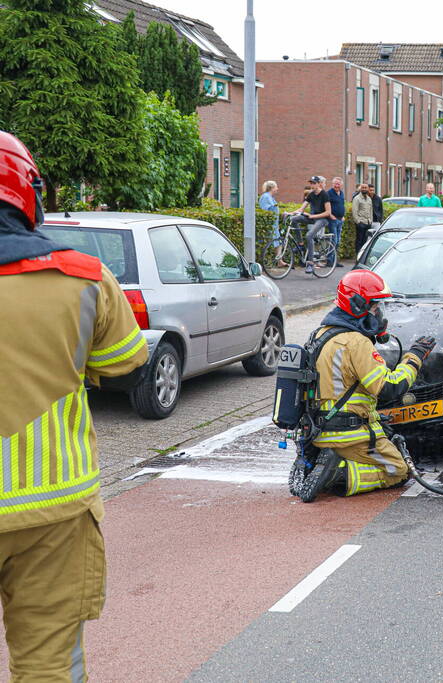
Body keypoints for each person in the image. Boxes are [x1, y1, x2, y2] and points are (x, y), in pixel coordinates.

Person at [0, 131, 149, 680]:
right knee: (47, 667)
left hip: (54, 511)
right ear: (27, 192)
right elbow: (128, 365)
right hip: (52, 509)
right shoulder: (82, 278)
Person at [301, 270, 436, 499]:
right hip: (350, 434)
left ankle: (322, 461)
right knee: (398, 471)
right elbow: (389, 388)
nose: (379, 313)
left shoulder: (321, 334)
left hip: (319, 430)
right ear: (358, 306)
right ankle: (339, 473)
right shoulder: (356, 342)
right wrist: (415, 357)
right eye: (375, 306)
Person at [287, 176, 332, 274]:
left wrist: (314, 216)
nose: (312, 185)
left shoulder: (325, 195)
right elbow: (301, 209)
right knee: (294, 219)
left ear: (319, 183)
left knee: (309, 235)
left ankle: (310, 264)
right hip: (312, 218)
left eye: (314, 183)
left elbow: (328, 212)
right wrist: (290, 213)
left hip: (322, 219)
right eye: (311, 183)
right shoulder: (311, 194)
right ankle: (301, 244)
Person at [259, 180, 283, 264]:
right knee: (274, 242)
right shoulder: (266, 197)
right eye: (276, 187)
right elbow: (266, 210)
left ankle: (279, 260)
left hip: (274, 225)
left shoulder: (270, 197)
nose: (277, 189)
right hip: (270, 225)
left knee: (278, 242)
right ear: (272, 188)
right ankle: (277, 261)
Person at [351, 183, 374, 257]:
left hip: (368, 223)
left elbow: (371, 211)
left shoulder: (369, 199)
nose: (364, 189)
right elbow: (354, 211)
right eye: (363, 187)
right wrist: (358, 222)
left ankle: (362, 256)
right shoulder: (357, 198)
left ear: (368, 189)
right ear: (360, 189)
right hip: (361, 223)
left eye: (365, 188)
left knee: (365, 241)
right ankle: (358, 256)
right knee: (359, 241)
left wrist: (370, 221)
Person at [326, 177, 346, 247]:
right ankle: (330, 258)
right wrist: (330, 215)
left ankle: (334, 258)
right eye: (335, 184)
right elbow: (325, 206)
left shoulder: (342, 193)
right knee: (333, 241)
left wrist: (343, 216)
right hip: (332, 220)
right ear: (332, 184)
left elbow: (342, 204)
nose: (337, 186)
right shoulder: (328, 193)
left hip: (340, 220)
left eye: (338, 184)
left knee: (338, 242)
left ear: (341, 185)